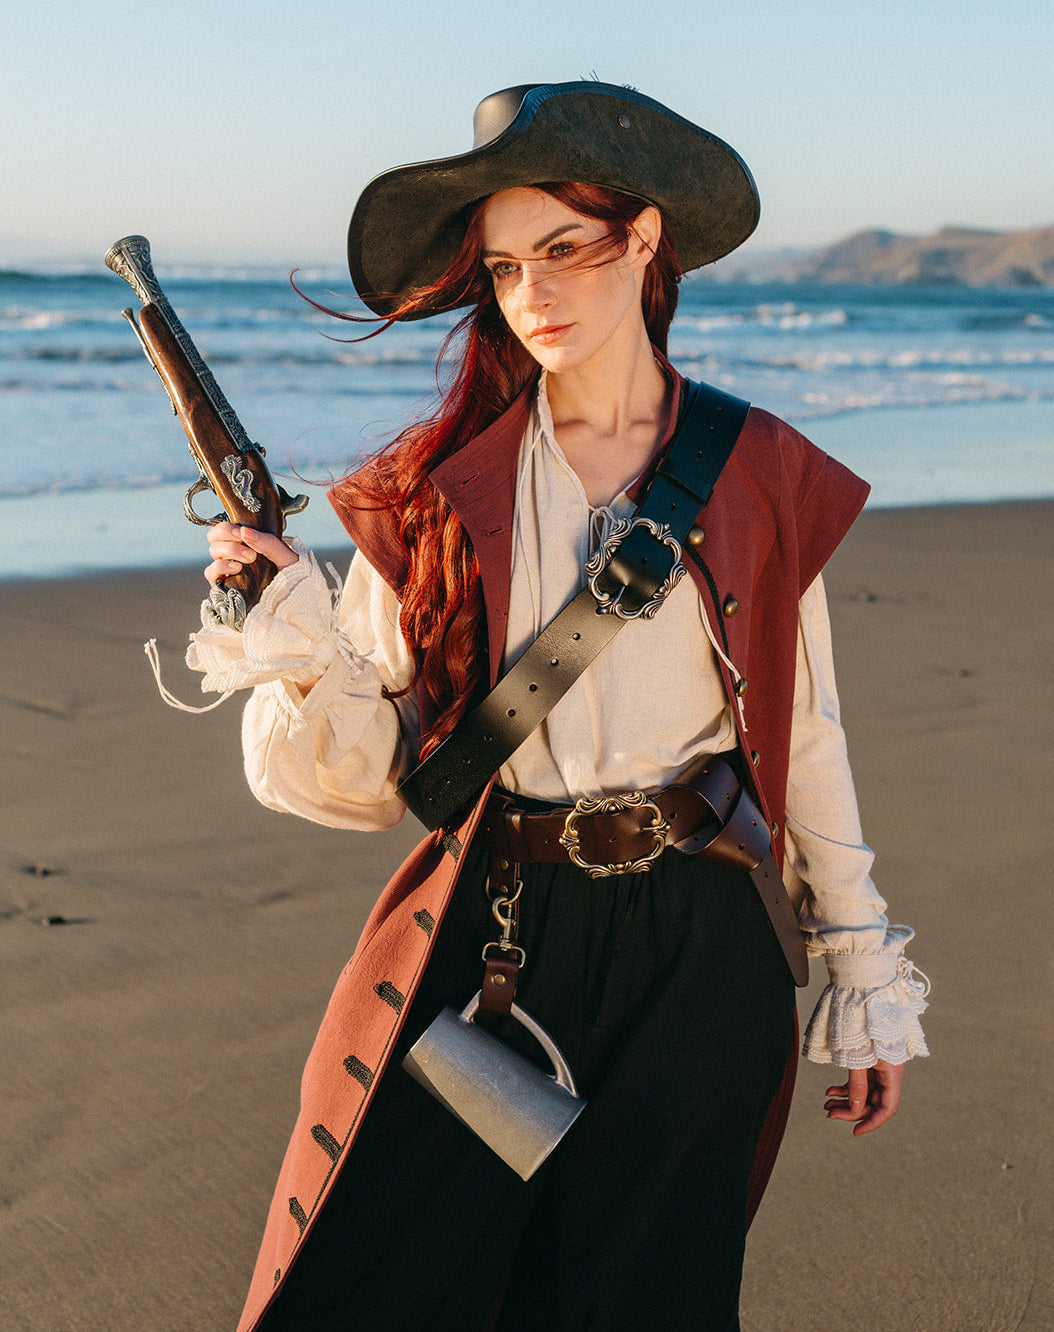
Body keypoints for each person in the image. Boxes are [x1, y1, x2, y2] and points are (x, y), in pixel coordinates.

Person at [186, 81, 930, 1332]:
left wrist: (860, 967)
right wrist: (289, 632)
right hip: (496, 932)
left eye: (566, 250)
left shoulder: (757, 473)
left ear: (645, 241)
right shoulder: (426, 492)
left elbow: (808, 737)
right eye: (507, 265)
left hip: (702, 949)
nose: (534, 293)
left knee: (644, 1301)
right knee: (372, 1284)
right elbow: (369, 785)